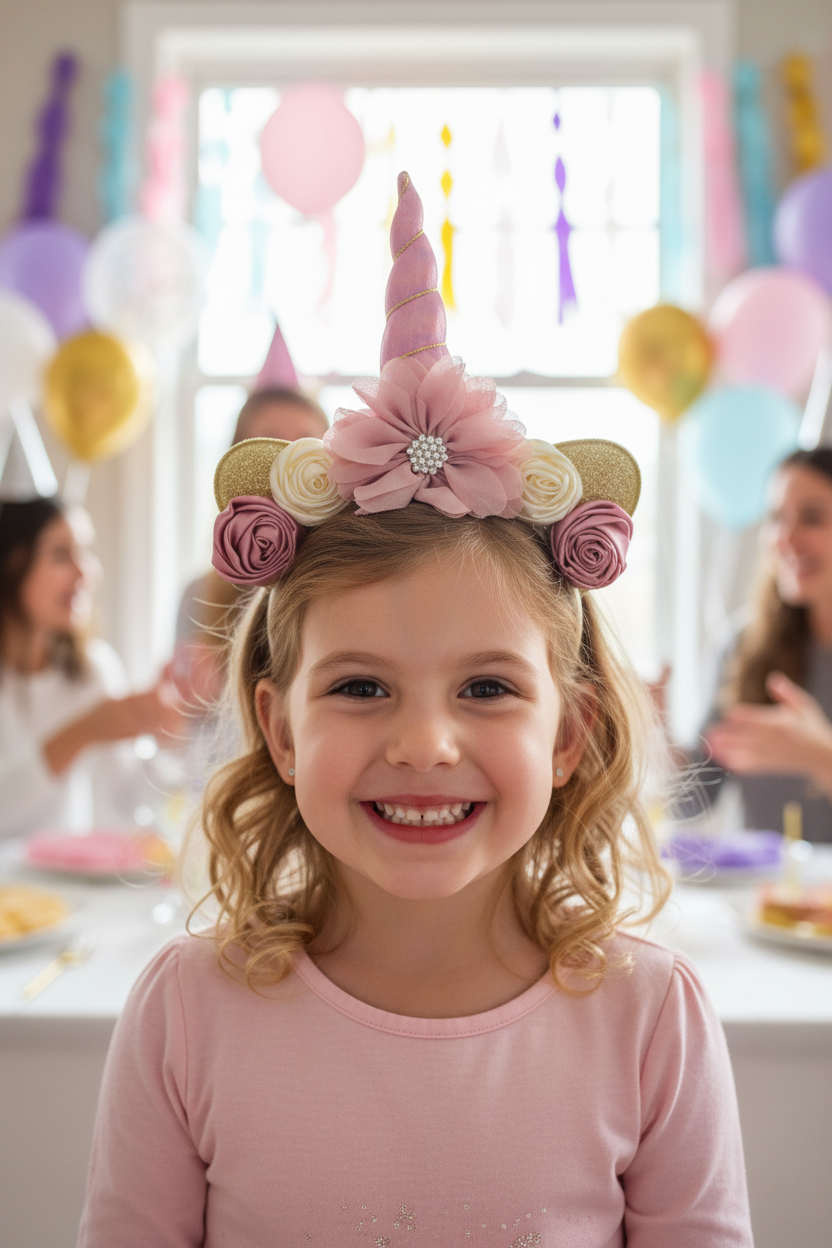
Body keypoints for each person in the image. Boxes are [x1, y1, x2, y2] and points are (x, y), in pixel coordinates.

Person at [79, 174, 752, 1247]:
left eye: (487, 688)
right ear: (281, 730)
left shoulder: (647, 1020)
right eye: (359, 686)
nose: (426, 743)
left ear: (570, 734)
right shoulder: (186, 1014)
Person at [0, 496, 184, 839]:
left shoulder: (93, 670)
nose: (87, 571)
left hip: (63, 889)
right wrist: (83, 731)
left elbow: (133, 802)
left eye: (86, 552)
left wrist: (167, 737)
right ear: (12, 564)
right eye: (60, 555)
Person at [686, 447, 832, 842]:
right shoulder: (742, 648)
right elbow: (695, 798)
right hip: (764, 899)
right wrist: (650, 738)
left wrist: (822, 758)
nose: (785, 537)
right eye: (776, 518)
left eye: (813, 518)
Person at [173, 384, 329, 708]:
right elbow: (184, 727)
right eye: (268, 443)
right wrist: (193, 697)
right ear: (237, 465)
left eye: (303, 445)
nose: (287, 463)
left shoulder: (353, 583)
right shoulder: (198, 596)